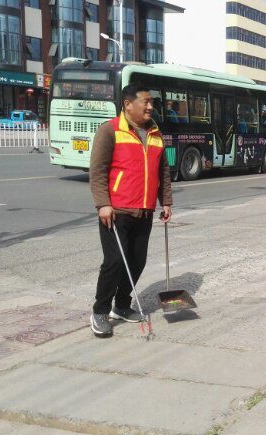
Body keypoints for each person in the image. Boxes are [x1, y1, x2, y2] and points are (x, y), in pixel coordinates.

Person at [89, 83, 172, 338]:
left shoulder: (155, 133)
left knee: (137, 262)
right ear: (128, 104)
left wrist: (166, 201)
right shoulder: (110, 130)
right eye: (145, 102)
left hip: (144, 211)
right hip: (116, 212)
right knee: (114, 262)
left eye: (151, 102)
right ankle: (100, 311)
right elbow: (98, 170)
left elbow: (163, 171)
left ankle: (122, 306)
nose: (150, 107)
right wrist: (103, 203)